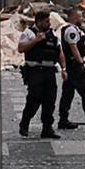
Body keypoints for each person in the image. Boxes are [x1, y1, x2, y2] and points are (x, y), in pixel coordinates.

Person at [17, 8, 66, 139]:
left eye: (49, 21)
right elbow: (21, 48)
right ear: (38, 22)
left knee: (50, 100)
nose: (48, 23)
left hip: (49, 72)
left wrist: (64, 69)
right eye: (46, 21)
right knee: (34, 99)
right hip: (35, 72)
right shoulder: (29, 33)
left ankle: (47, 129)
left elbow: (59, 52)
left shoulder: (53, 34)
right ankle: (25, 123)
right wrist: (35, 41)